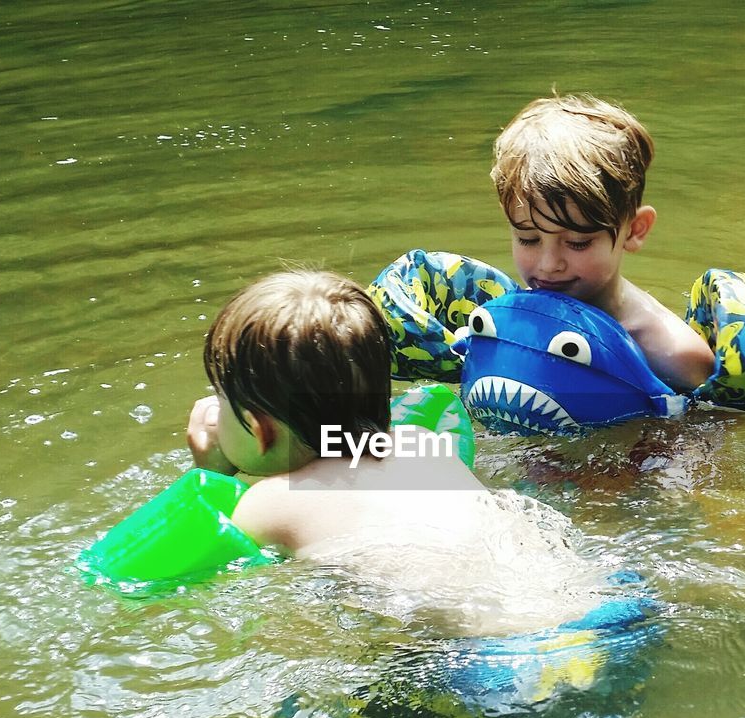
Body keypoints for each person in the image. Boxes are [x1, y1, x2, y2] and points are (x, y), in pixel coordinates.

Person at [185, 268, 608, 636]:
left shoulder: (268, 503)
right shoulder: (420, 443)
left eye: (222, 401)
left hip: (504, 655)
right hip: (595, 601)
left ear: (259, 430)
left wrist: (212, 472)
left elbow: (195, 559)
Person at [490, 93, 715, 392]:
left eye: (578, 242)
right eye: (528, 238)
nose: (548, 265)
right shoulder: (506, 322)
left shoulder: (672, 356)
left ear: (635, 230)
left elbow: (704, 432)